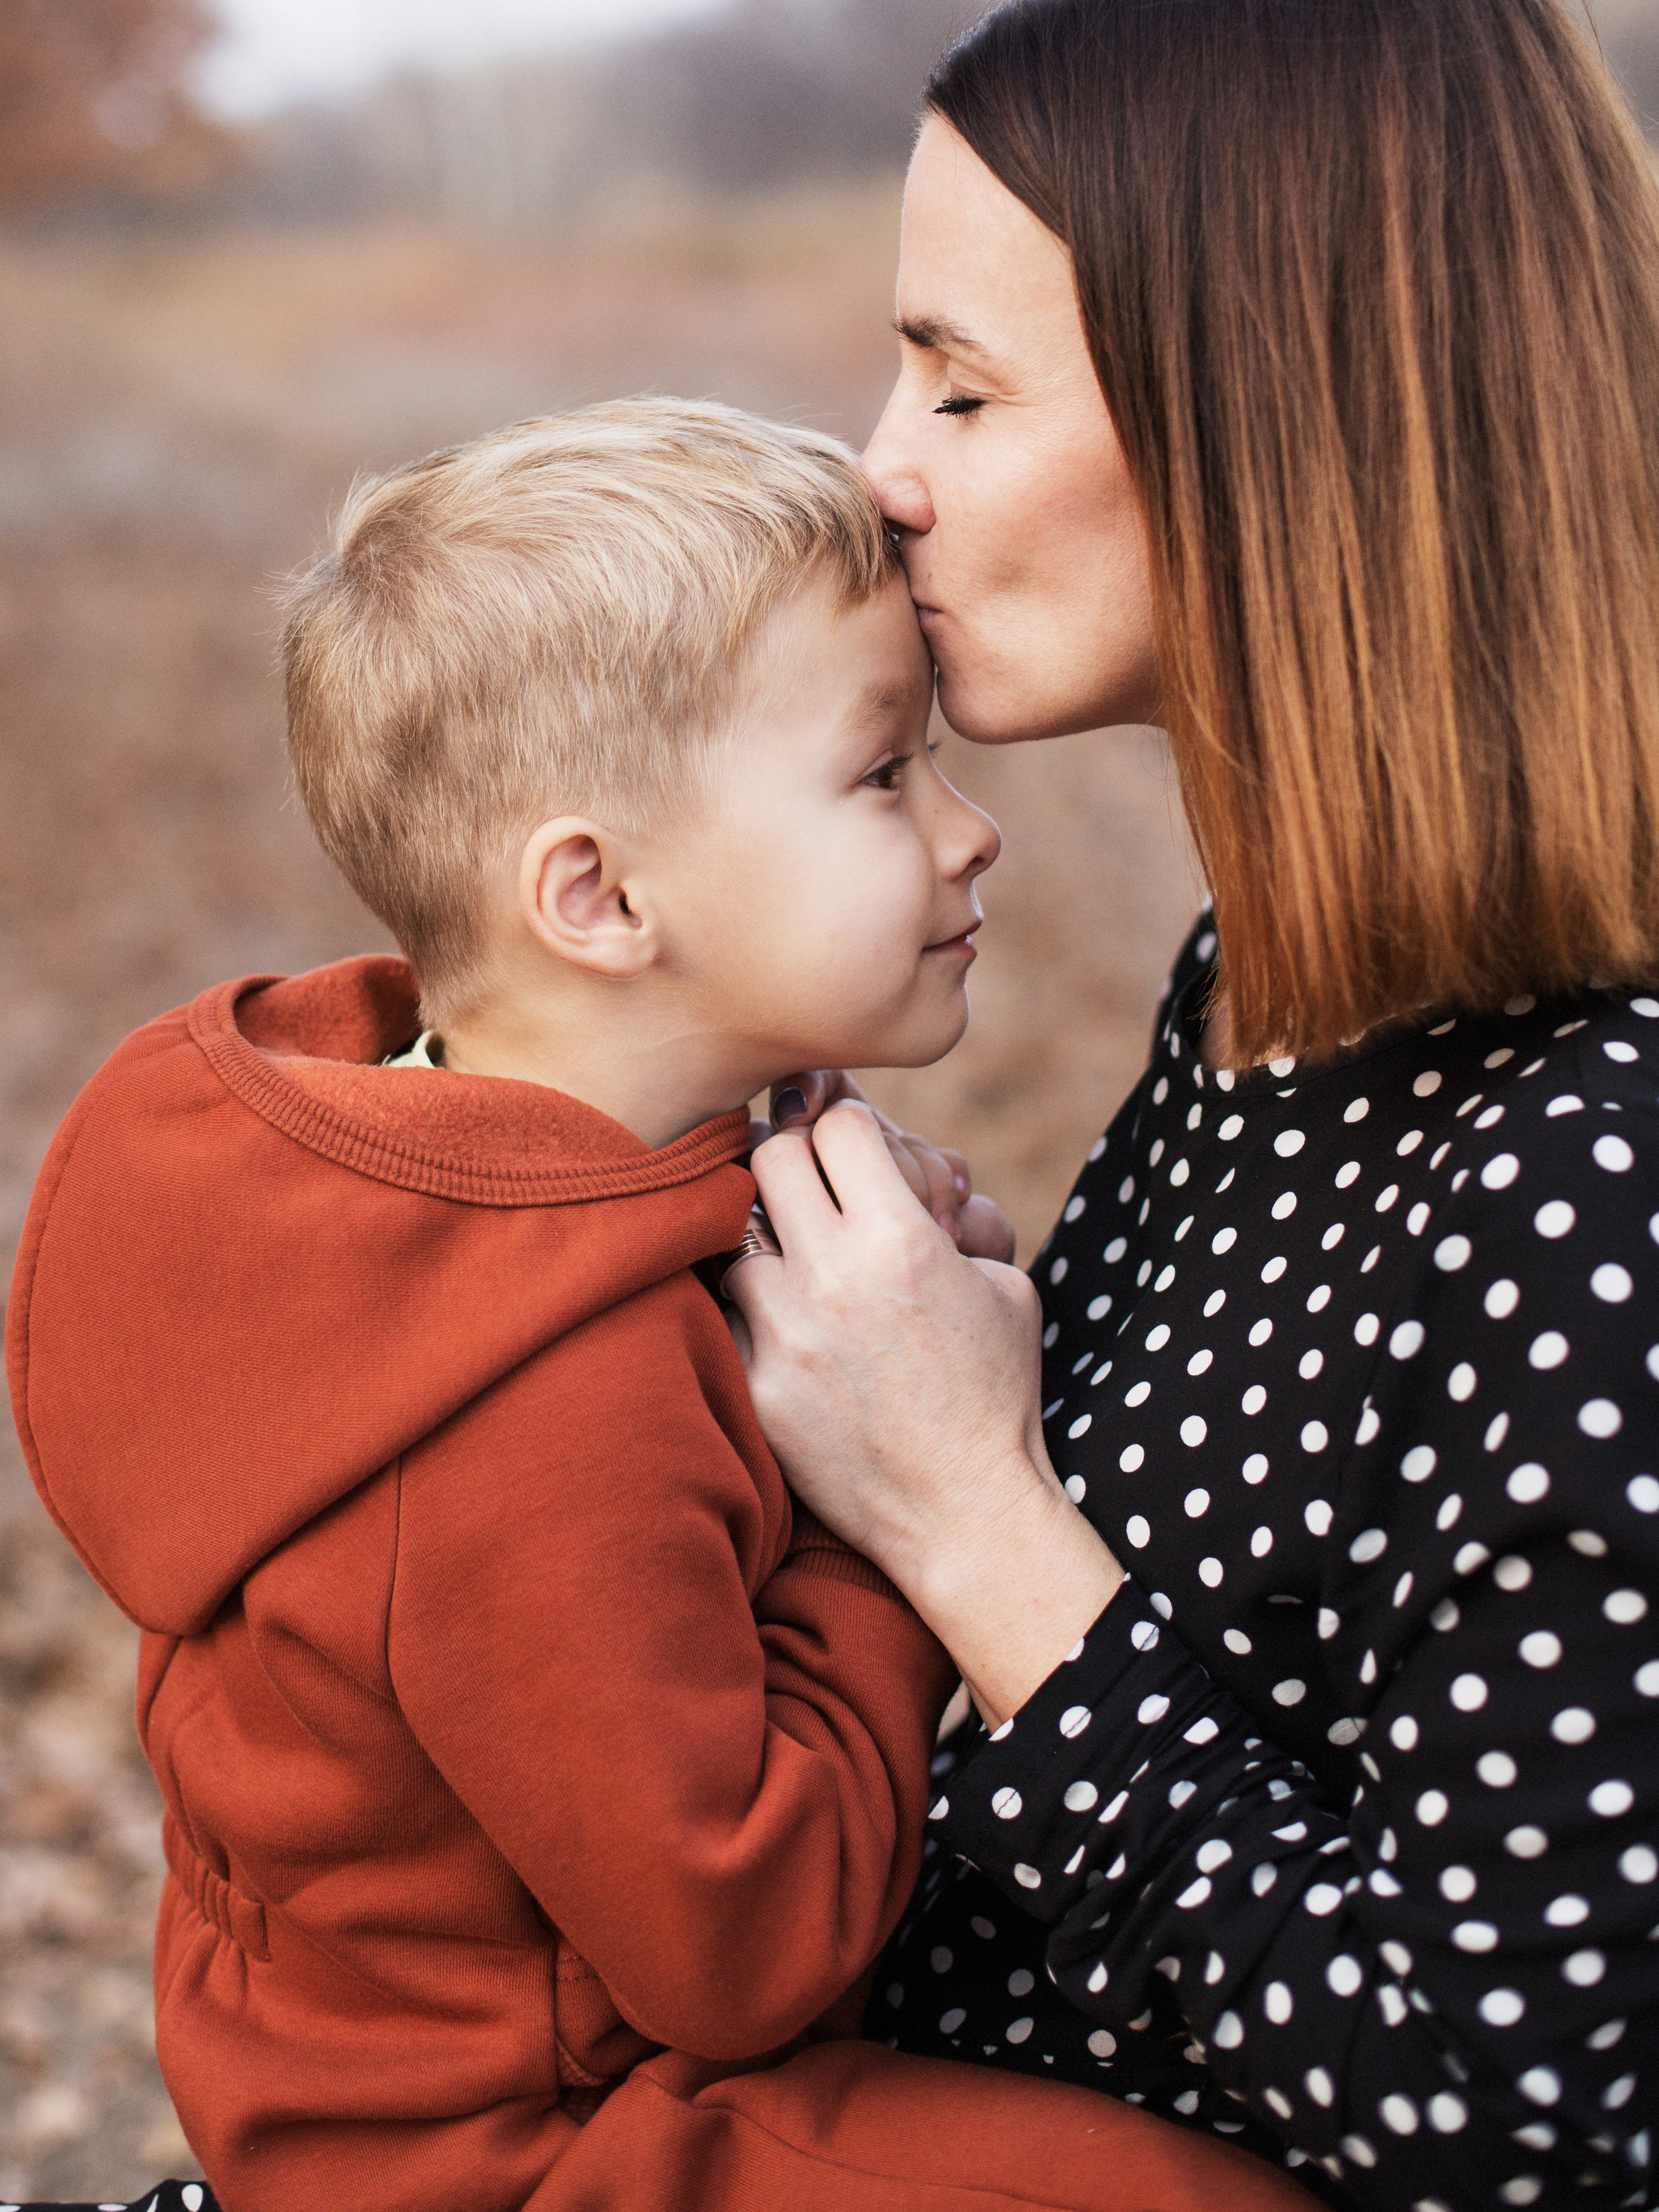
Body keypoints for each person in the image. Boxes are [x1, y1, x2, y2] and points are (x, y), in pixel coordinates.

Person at [5, 400, 1317, 2212]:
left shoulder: (445, 1188)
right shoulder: (533, 1400)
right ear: (604, 896)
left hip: (383, 2081)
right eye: (880, 774)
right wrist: (891, 1504)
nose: (972, 831)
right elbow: (749, 1951)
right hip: (513, 2152)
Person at [722, 4, 1659, 2209]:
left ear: (1286, 410)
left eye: (962, 379)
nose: (883, 466)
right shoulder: (1274, 997)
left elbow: (1525, 2120)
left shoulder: (1595, 1154)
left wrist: (968, 1513)